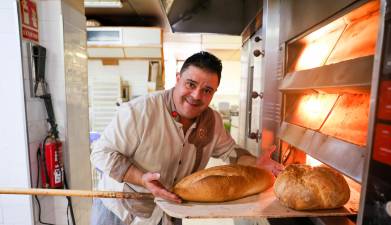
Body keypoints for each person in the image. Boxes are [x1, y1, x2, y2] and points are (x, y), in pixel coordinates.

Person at [90, 51, 284, 225]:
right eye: (190, 84)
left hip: (171, 211)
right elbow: (100, 153)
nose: (196, 95)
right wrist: (141, 179)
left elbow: (231, 152)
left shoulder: (212, 121)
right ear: (177, 79)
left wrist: (255, 162)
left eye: (207, 90)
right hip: (121, 211)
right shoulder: (139, 112)